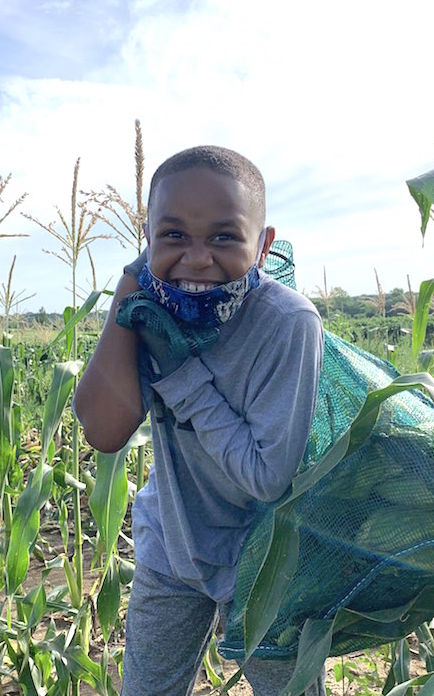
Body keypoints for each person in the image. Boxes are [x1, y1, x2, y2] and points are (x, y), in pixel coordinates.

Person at [73, 145, 325, 695]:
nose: (196, 258)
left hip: (265, 561)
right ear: (147, 241)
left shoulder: (287, 323)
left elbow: (266, 476)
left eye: (223, 237)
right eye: (173, 236)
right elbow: (104, 431)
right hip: (172, 544)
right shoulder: (151, 306)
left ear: (263, 246)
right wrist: (129, 288)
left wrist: (182, 375)